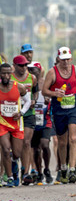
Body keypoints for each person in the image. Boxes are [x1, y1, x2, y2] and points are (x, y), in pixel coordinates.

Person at [42, 46, 76, 184]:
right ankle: (64, 167)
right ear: (58, 58)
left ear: (71, 58)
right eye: (63, 60)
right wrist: (55, 93)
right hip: (59, 109)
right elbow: (44, 91)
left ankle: (72, 170)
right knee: (62, 141)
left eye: (68, 60)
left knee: (73, 138)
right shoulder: (52, 72)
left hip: (74, 108)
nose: (65, 62)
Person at [0, 63, 30, 187]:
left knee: (16, 153)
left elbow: (28, 101)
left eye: (8, 73)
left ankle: (14, 164)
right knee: (6, 150)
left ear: (11, 74)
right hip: (2, 123)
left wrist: (21, 112)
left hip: (16, 123)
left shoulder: (19, 87)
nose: (6, 75)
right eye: (3, 73)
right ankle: (10, 177)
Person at [12, 55, 38, 185]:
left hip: (28, 113)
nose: (24, 68)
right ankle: (15, 165)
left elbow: (36, 92)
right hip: (13, 115)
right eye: (21, 65)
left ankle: (26, 172)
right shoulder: (9, 77)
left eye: (25, 65)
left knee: (27, 142)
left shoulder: (32, 78)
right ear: (15, 65)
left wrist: (34, 100)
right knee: (17, 145)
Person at [30, 63, 54, 184]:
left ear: (39, 70)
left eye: (34, 70)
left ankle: (47, 169)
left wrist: (48, 99)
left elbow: (54, 96)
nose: (31, 72)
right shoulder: (27, 83)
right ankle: (39, 172)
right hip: (33, 120)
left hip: (46, 119)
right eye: (29, 70)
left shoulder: (46, 83)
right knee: (35, 149)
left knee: (45, 145)